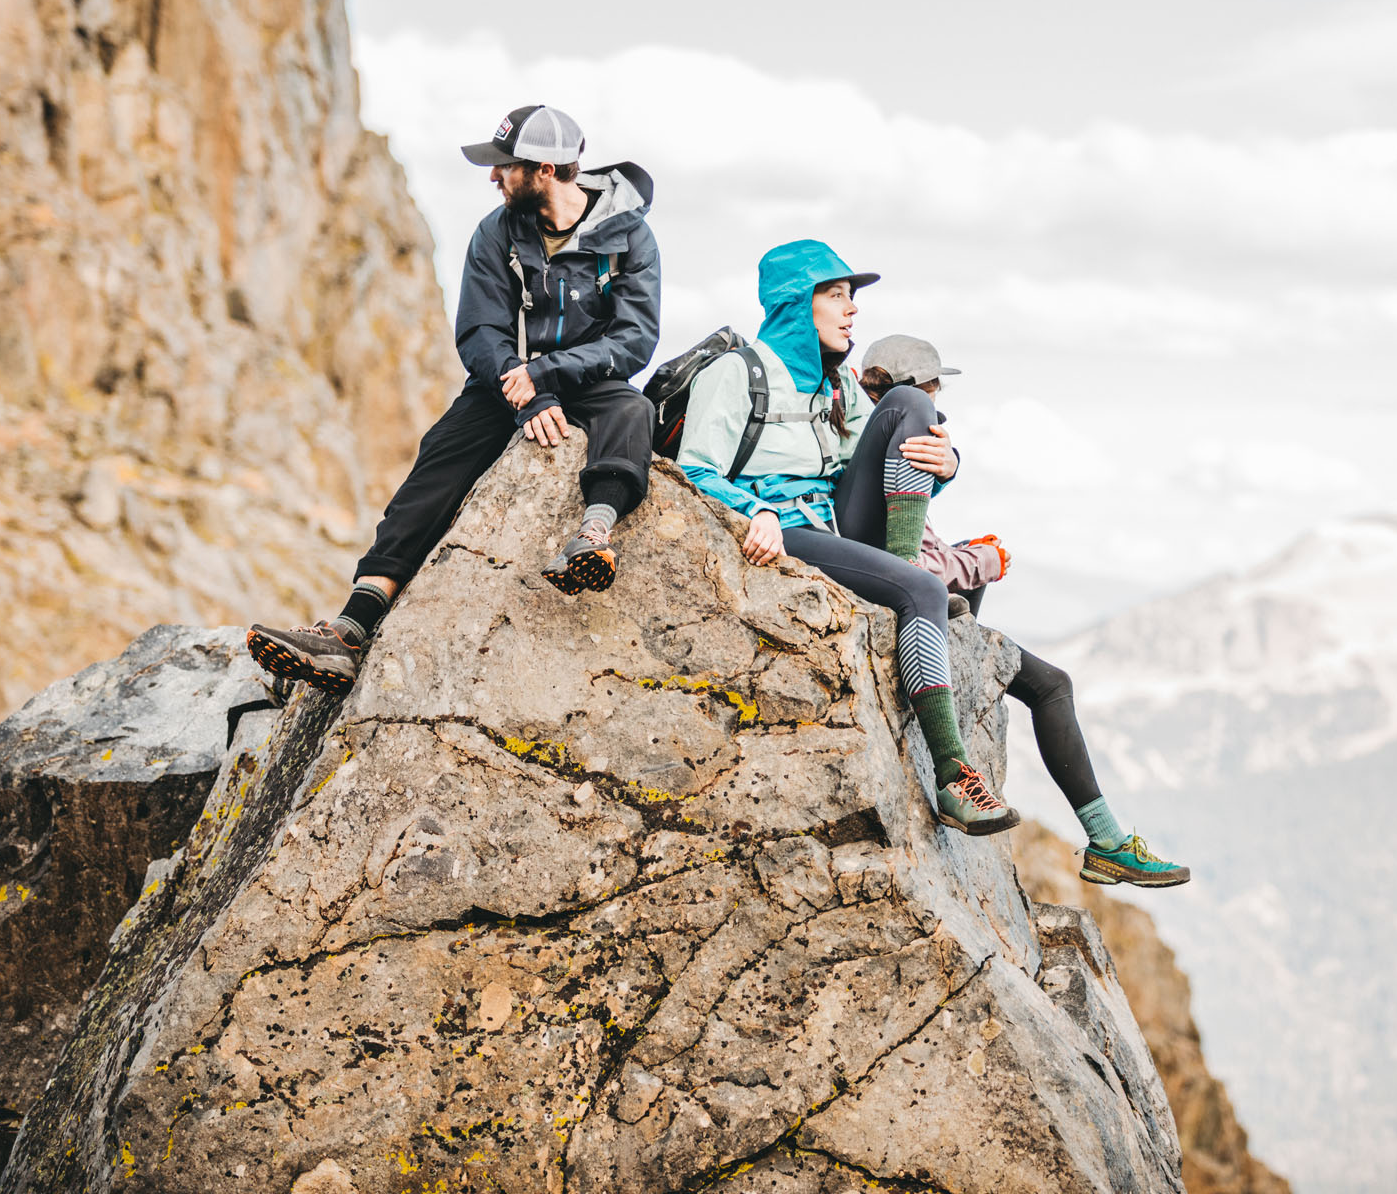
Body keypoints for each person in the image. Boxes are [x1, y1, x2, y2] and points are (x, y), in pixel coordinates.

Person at [248, 105, 660, 691]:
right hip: (505, 381)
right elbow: (480, 332)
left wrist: (548, 373)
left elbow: (634, 339)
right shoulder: (497, 232)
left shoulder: (630, 236)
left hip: (589, 378)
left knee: (633, 410)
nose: (493, 176)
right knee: (443, 451)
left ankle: (593, 534)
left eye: (505, 167)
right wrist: (523, 389)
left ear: (545, 170)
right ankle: (349, 630)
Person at [674, 239, 1017, 836]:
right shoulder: (735, 373)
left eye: (850, 296)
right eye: (835, 295)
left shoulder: (838, 385)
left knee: (909, 402)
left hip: (838, 520)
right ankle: (953, 776)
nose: (852, 308)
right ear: (795, 303)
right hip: (787, 530)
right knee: (923, 593)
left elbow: (885, 463)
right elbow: (696, 469)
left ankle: (904, 566)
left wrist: (948, 465)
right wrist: (756, 511)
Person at [856, 333, 1190, 889]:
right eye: (933, 394)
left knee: (1049, 681)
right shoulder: (885, 433)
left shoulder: (883, 443)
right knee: (1047, 680)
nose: (936, 410)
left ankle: (1107, 842)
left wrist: (953, 474)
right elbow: (911, 560)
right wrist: (983, 560)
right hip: (904, 597)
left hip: (913, 589)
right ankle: (1104, 841)